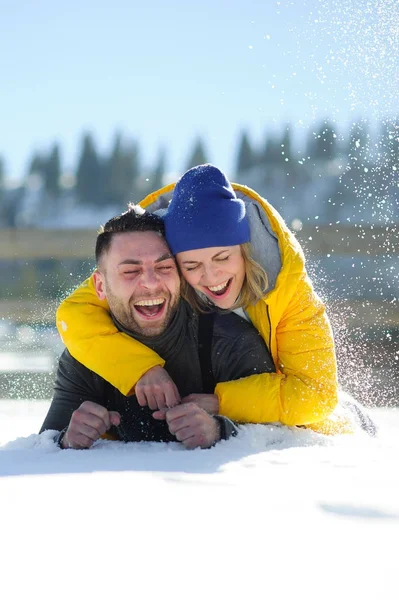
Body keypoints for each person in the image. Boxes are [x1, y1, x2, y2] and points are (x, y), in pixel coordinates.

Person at [55, 164, 370, 435]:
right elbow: (75, 313)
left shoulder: (289, 290)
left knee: (343, 416)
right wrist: (139, 369)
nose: (211, 276)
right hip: (238, 398)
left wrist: (221, 402)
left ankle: (358, 414)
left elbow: (316, 395)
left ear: (244, 249)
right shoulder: (152, 265)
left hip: (305, 424)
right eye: (191, 266)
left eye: (222, 258)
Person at [40, 207, 276, 449]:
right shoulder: (87, 355)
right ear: (100, 286)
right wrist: (67, 439)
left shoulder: (230, 342)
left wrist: (221, 431)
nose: (151, 283)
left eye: (164, 268)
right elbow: (41, 447)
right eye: (131, 271)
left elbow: (288, 438)